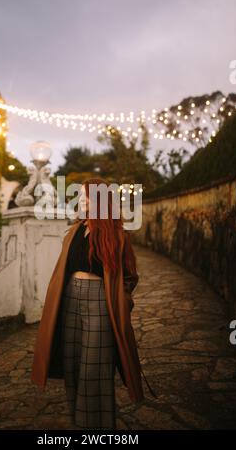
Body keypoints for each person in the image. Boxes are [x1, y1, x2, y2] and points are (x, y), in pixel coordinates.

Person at [31, 177, 147, 430]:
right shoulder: (73, 231)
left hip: (100, 303)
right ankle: (79, 423)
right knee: (72, 363)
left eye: (85, 196)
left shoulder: (117, 236)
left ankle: (99, 428)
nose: (81, 200)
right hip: (70, 300)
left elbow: (130, 277)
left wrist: (121, 302)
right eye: (80, 196)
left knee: (94, 369)